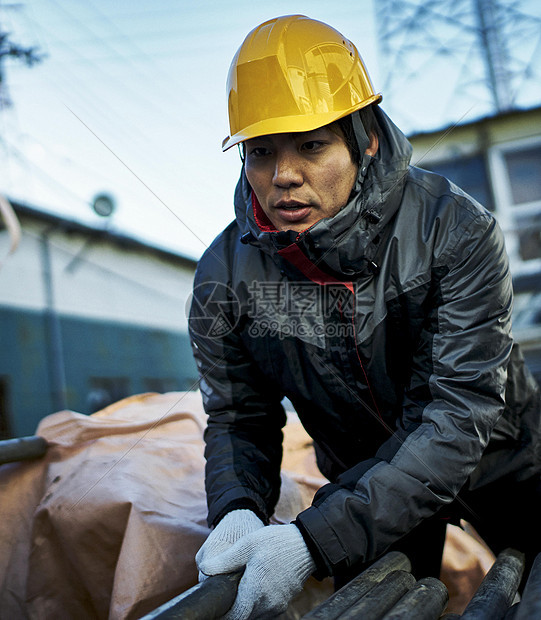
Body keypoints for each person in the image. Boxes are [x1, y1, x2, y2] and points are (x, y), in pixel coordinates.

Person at [189, 14, 541, 619]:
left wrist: (314, 538)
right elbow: (239, 418)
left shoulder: (452, 230)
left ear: (366, 138)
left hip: (503, 461)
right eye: (261, 152)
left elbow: (458, 415)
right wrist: (236, 508)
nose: (284, 176)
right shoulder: (223, 275)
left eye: (313, 145)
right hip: (364, 483)